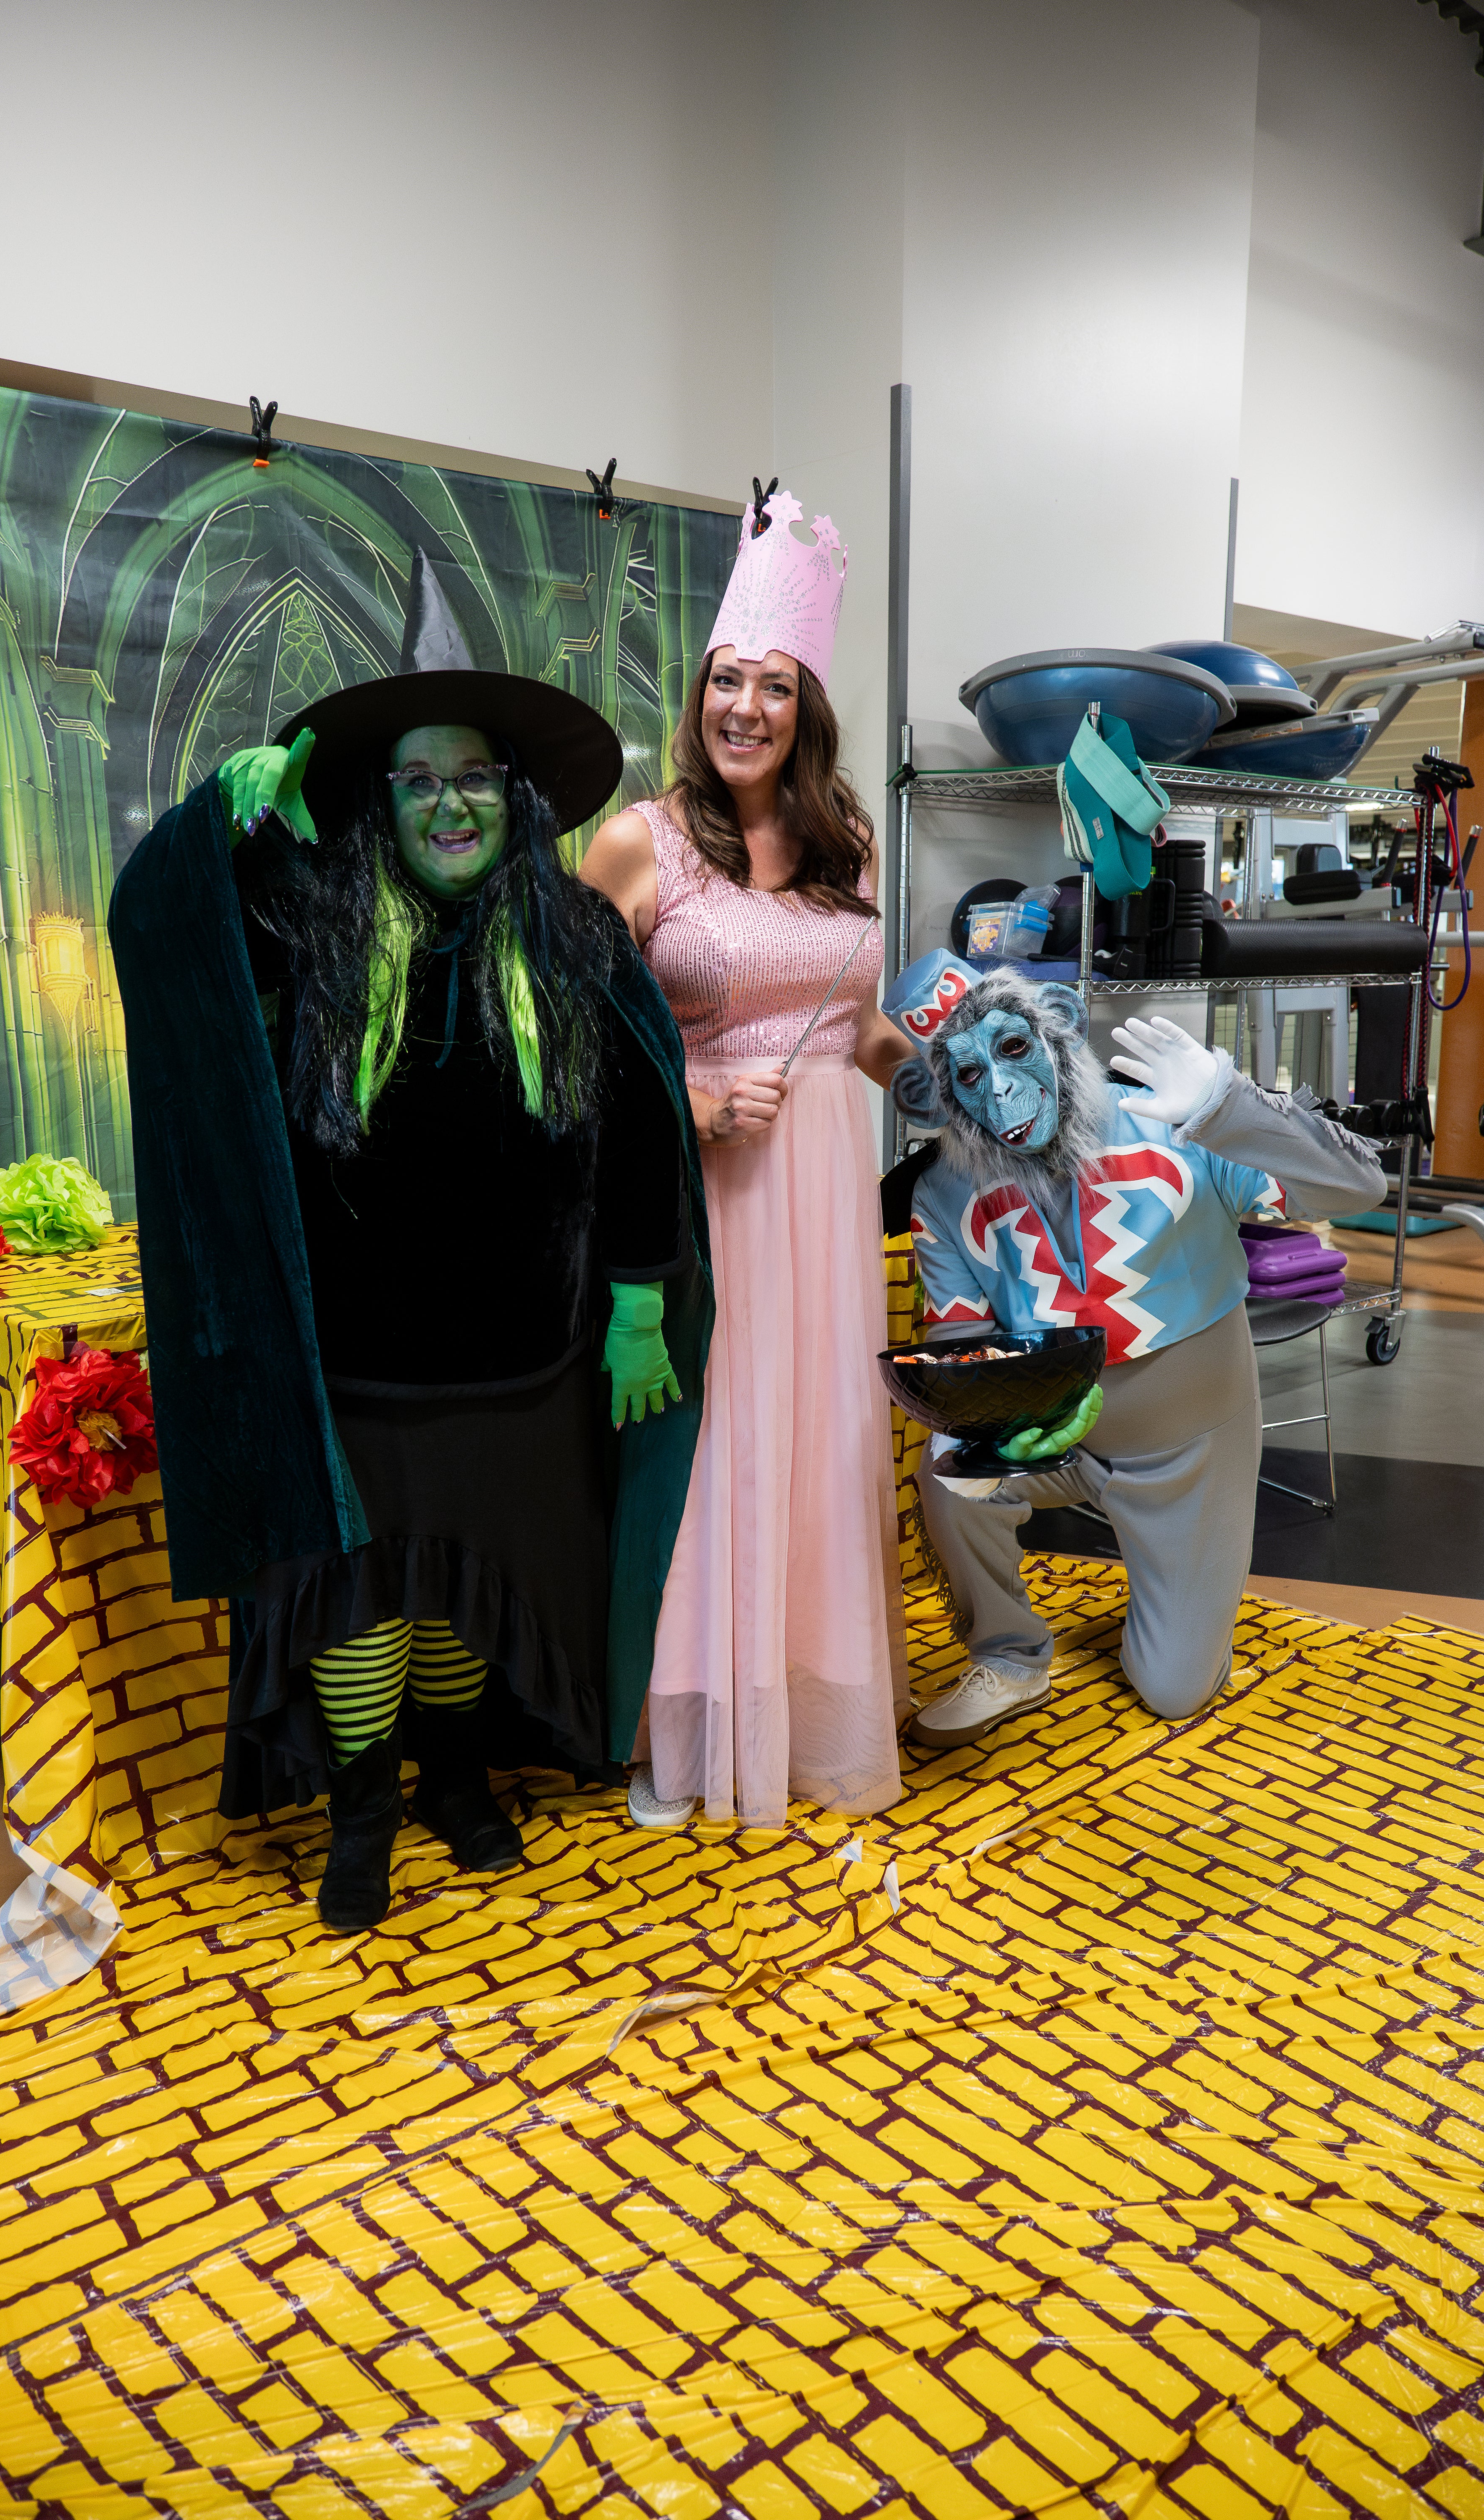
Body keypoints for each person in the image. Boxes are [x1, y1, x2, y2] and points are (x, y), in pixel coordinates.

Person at [110, 554, 711, 1931]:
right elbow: (159, 939)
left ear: (515, 797)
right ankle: (364, 1808)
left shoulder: (573, 937)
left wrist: (636, 1298)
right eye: (420, 779)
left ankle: (456, 1775)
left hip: (521, 1353)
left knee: (465, 1577)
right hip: (358, 1352)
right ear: (385, 800)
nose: (449, 802)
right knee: (363, 1593)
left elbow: (636, 1126)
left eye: (474, 777)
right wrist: (222, 821)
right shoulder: (311, 923)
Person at [582, 489, 912, 1830]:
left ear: (805, 702)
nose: (745, 708)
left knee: (826, 1441)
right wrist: (699, 1116)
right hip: (701, 1191)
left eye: (772, 686)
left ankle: (808, 1695)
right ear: (699, 693)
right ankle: (698, 1718)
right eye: (727, 681)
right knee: (716, 1442)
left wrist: (947, 1070)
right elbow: (581, 1044)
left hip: (829, 1182)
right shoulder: (637, 839)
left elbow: (859, 1025)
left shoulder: (846, 836)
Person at [884, 950, 1384, 1743]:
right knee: (948, 1466)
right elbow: (961, 1337)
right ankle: (1010, 1655)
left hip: (1192, 1450)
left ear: (1058, 1031)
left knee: (1174, 1690)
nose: (1003, 1093)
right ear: (938, 1096)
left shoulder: (1171, 1120)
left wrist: (1230, 1107)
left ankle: (1185, 1612)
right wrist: (991, 1419)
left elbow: (1359, 1191)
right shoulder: (945, 1189)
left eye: (1014, 1050)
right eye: (969, 1077)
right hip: (1059, 1440)